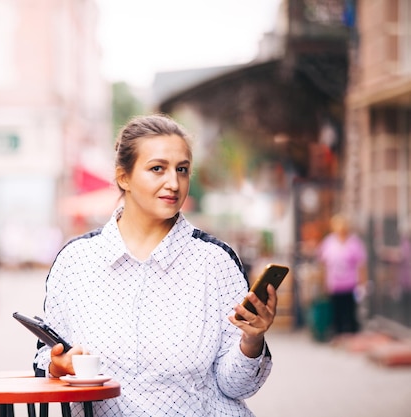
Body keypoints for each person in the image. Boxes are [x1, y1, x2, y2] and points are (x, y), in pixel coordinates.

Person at [33, 114, 276, 416]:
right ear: (124, 177)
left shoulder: (215, 262)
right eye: (157, 168)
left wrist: (253, 339)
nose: (173, 183)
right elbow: (45, 360)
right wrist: (57, 366)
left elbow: (236, 387)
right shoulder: (75, 262)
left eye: (182, 170)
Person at [316, 213, 367, 335]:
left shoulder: (354, 242)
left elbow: (361, 264)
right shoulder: (328, 242)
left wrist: (363, 283)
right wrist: (323, 282)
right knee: (336, 313)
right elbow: (323, 264)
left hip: (351, 284)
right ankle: (338, 335)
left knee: (350, 312)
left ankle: (352, 336)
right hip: (334, 284)